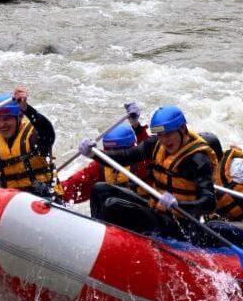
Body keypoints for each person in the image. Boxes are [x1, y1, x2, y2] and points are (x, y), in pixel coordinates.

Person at [78, 105, 217, 245]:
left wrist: (178, 204)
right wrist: (94, 154)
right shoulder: (155, 144)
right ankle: (97, 239)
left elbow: (209, 203)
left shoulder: (198, 159)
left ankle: (109, 244)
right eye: (160, 135)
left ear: (182, 129)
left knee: (112, 205)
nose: (164, 140)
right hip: (156, 212)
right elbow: (125, 156)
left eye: (168, 134)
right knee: (100, 190)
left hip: (180, 226)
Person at [60, 104, 149, 204]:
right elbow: (74, 185)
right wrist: (54, 191)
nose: (113, 154)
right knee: (99, 190)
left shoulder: (141, 163)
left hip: (141, 211)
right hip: (113, 213)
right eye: (109, 150)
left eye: (117, 150)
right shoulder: (100, 167)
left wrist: (137, 127)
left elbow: (149, 149)